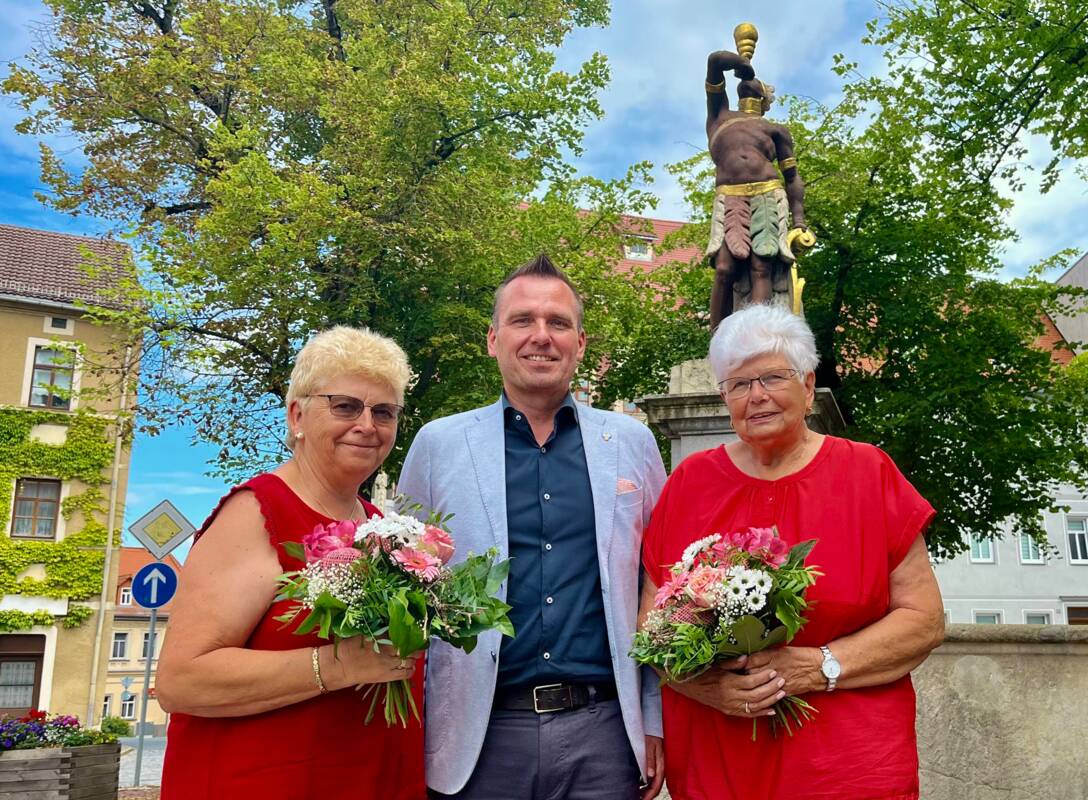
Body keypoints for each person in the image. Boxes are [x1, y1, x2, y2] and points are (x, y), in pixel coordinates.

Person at [639, 303, 945, 800]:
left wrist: (817, 665)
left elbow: (924, 619)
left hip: (850, 768)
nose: (756, 396)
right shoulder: (689, 484)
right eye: (738, 384)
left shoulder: (868, 473)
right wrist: (704, 686)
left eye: (772, 377)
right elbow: (650, 627)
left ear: (807, 386)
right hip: (719, 765)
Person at [398, 254, 667, 800]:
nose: (541, 336)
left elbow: (659, 585)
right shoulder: (437, 446)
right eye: (523, 320)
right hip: (478, 739)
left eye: (558, 323)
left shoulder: (633, 443)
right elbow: (405, 584)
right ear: (493, 339)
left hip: (605, 735)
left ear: (581, 343)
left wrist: (656, 718)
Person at [157, 327, 425, 800]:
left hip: (367, 777)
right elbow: (182, 681)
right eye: (345, 406)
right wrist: (339, 665)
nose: (367, 424)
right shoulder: (257, 514)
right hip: (265, 781)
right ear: (297, 415)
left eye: (384, 412)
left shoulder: (381, 526)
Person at [704, 47, 812, 328]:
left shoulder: (776, 130)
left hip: (767, 194)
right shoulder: (719, 117)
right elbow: (715, 62)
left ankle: (756, 337)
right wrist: (742, 63)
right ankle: (717, 341)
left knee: (760, 267)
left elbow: (792, 177)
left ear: (764, 99)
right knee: (724, 268)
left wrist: (799, 222)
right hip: (730, 197)